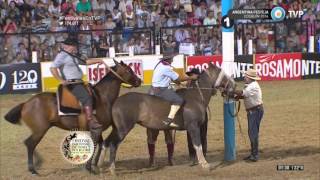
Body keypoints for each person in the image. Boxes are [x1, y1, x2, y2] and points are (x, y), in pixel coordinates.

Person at [50, 36, 108, 142]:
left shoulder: (72, 55)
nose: (76, 47)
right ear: (69, 46)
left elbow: (85, 62)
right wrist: (61, 80)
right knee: (86, 98)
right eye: (74, 46)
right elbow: (53, 67)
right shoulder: (62, 55)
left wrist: (98, 60)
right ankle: (91, 121)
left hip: (78, 82)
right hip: (72, 83)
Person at [149, 55, 198, 128]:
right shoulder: (166, 68)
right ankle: (169, 120)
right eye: (171, 59)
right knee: (178, 100)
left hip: (154, 88)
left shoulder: (160, 64)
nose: (172, 61)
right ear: (168, 59)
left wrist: (179, 83)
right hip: (161, 90)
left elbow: (171, 78)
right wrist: (191, 77)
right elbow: (179, 78)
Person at [232, 68, 264, 162]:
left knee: (252, 132)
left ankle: (255, 155)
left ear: (249, 77)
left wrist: (231, 91)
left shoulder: (252, 86)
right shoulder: (250, 85)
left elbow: (243, 93)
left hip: (255, 111)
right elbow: (244, 95)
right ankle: (253, 154)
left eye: (245, 76)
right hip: (254, 111)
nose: (244, 77)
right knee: (252, 132)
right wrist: (236, 96)